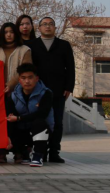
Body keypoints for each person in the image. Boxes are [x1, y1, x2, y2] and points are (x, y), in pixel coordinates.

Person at [29, 17, 75, 163]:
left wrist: (69, 87)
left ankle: (54, 152)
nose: (47, 27)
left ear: (55, 27)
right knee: (39, 121)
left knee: (57, 122)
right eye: (44, 24)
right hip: (38, 90)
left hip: (58, 90)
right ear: (39, 28)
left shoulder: (64, 45)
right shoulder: (31, 45)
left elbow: (70, 67)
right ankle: (40, 151)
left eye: (50, 24)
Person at [0, 22, 32, 163]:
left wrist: (11, 84)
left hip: (18, 93)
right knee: (1, 123)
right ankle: (1, 152)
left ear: (16, 33)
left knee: (16, 123)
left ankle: (18, 152)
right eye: (6, 32)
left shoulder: (25, 50)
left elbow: (26, 69)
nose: (9, 35)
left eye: (11, 32)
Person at [7, 63, 54, 167]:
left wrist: (19, 118)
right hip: (23, 130)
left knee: (39, 122)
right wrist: (8, 136)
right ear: (19, 80)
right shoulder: (13, 96)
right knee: (9, 125)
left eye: (30, 77)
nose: (27, 81)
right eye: (23, 78)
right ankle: (24, 153)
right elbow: (10, 117)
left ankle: (38, 156)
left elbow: (42, 114)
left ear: (36, 79)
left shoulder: (46, 93)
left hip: (42, 131)